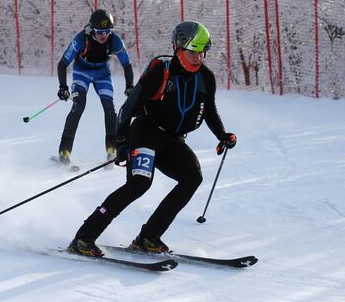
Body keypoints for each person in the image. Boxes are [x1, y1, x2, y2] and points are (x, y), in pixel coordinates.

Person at [68, 20, 237, 257]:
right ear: (178, 48)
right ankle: (84, 238)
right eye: (192, 52)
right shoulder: (161, 69)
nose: (197, 58)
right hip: (146, 132)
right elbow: (128, 108)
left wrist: (223, 135)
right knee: (139, 184)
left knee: (192, 178)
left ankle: (149, 237)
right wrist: (122, 142)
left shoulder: (206, 78)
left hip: (173, 139)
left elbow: (209, 110)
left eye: (202, 53)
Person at [56, 9, 134, 165]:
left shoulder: (115, 40)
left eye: (107, 31)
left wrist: (129, 85)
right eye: (99, 32)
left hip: (102, 73)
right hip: (82, 72)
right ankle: (64, 151)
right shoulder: (81, 39)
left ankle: (112, 150)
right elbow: (63, 63)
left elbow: (127, 64)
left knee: (109, 108)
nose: (104, 35)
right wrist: (63, 87)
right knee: (79, 105)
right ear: (92, 29)